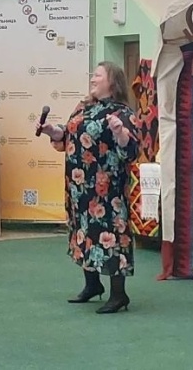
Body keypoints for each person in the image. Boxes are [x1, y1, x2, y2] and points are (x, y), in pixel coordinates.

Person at [36, 61, 139, 314]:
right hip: (79, 186)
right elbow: (68, 135)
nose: (92, 79)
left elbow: (131, 151)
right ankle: (92, 285)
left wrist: (120, 133)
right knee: (83, 231)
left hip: (107, 190)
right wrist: (52, 131)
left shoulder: (123, 113)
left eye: (98, 76)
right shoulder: (84, 106)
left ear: (112, 81)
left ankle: (119, 294)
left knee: (111, 235)